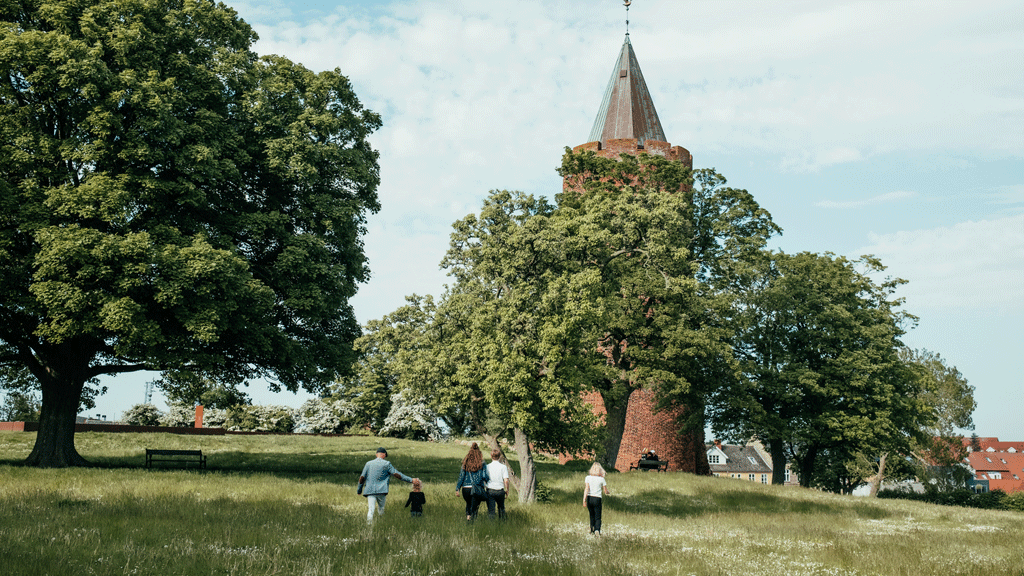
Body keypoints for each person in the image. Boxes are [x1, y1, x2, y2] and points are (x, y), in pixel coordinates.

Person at [358, 447, 416, 523]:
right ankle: (381, 524)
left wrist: (359, 490)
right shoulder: (386, 464)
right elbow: (397, 474)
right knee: (381, 509)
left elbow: (362, 478)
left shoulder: (368, 464)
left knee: (371, 510)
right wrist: (411, 480)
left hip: (370, 491)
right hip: (381, 491)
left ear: (376, 454)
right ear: (383, 454)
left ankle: (369, 526)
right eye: (385, 455)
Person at [455, 442, 489, 521]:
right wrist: (486, 482)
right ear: (479, 453)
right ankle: (472, 522)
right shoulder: (482, 463)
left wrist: (457, 488)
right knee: (475, 506)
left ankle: (468, 519)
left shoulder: (465, 463)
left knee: (468, 503)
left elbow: (461, 476)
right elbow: (484, 476)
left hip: (466, 489)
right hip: (477, 487)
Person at [583, 462, 610, 535]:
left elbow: (586, 489)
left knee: (591, 514)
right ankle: (597, 530)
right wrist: (608, 492)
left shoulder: (587, 478)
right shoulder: (601, 479)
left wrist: (584, 500)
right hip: (597, 498)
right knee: (597, 516)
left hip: (589, 498)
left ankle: (592, 529)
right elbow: (605, 491)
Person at [484, 448, 510, 520]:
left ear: (491, 456)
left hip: (490, 490)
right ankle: (502, 524)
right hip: (500, 490)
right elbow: (506, 480)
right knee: (501, 509)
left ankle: (491, 526)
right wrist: (507, 490)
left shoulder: (487, 467)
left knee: (491, 511)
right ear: (499, 457)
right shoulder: (503, 467)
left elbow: (484, 479)